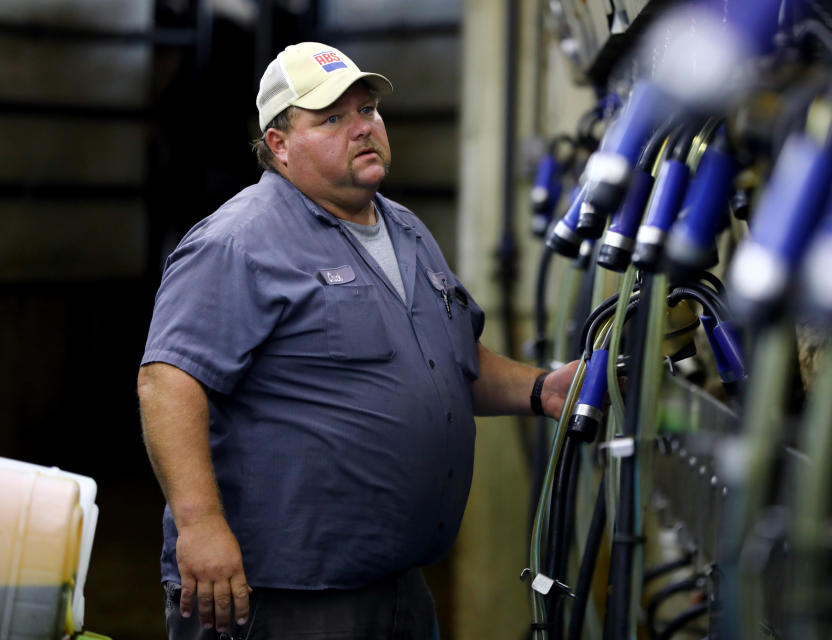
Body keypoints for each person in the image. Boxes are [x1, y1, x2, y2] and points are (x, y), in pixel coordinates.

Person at [137, 41, 576, 640]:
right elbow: (168, 381)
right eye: (332, 119)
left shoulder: (405, 229)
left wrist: (543, 390)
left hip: (396, 584)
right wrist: (200, 525)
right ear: (279, 145)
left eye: (367, 110)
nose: (362, 128)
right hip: (280, 593)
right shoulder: (237, 242)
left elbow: (451, 360)